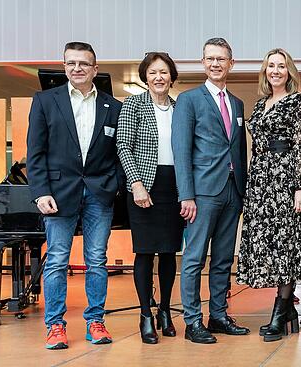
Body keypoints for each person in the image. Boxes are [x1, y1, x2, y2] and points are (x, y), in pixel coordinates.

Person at [27, 41, 123, 349]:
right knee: (56, 260)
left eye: (84, 63)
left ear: (95, 69)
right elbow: (35, 152)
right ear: (64, 66)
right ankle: (55, 326)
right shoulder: (45, 101)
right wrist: (40, 191)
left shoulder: (113, 106)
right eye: (71, 63)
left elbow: (119, 152)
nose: (77, 68)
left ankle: (95, 321)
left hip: (99, 193)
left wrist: (115, 183)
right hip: (57, 192)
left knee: (97, 260)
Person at [172, 37, 249, 344]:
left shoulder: (237, 103)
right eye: (210, 59)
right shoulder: (189, 100)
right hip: (202, 192)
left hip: (232, 191)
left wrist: (243, 190)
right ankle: (192, 321)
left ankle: (217, 316)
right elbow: (181, 150)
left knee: (222, 259)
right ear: (203, 63)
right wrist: (186, 195)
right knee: (193, 258)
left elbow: (239, 149)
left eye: (222, 59)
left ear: (231, 63)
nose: (216, 64)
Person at [237, 48, 301, 343]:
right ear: (265, 71)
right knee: (269, 245)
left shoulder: (296, 102)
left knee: (286, 245)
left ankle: (281, 312)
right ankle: (287, 310)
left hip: (285, 180)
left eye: (281, 66)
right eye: (271, 66)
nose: (276, 71)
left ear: (289, 71)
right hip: (261, 181)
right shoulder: (259, 105)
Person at [116, 52, 184, 344]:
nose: (159, 77)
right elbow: (123, 144)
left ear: (171, 77)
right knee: (145, 252)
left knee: (169, 252)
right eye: (154, 72)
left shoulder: (180, 108)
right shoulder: (134, 103)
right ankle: (146, 314)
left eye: (164, 72)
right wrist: (136, 183)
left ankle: (165, 311)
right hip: (144, 185)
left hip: (174, 187)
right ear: (146, 76)